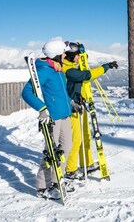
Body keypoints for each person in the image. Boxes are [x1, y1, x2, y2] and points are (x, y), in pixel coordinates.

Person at [21, 39, 77, 200]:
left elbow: (60, 92)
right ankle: (42, 187)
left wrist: (70, 102)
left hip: (64, 115)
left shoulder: (57, 70)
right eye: (64, 52)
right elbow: (26, 93)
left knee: (66, 147)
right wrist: (42, 109)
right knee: (50, 152)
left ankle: (57, 179)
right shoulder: (44, 70)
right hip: (52, 118)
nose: (66, 54)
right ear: (57, 54)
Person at [61, 41, 118, 180]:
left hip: (81, 105)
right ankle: (71, 169)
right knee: (76, 140)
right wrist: (106, 66)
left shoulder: (73, 64)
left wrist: (82, 51)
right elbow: (87, 75)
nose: (79, 57)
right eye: (77, 55)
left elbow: (82, 62)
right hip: (72, 109)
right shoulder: (68, 70)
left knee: (86, 135)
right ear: (70, 55)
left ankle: (87, 163)